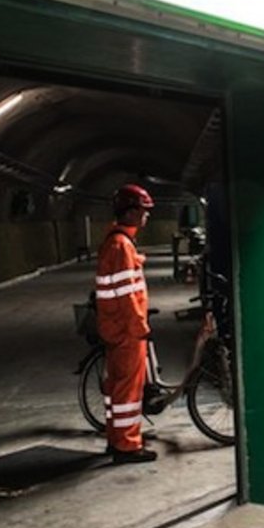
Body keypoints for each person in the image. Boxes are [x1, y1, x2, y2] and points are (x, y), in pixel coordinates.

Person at [95, 184, 158, 464]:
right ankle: (128, 446)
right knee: (128, 391)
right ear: (131, 212)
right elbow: (127, 295)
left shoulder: (117, 242)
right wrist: (139, 327)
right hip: (125, 331)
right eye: (143, 212)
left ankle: (115, 438)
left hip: (113, 328)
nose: (146, 217)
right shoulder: (121, 246)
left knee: (115, 389)